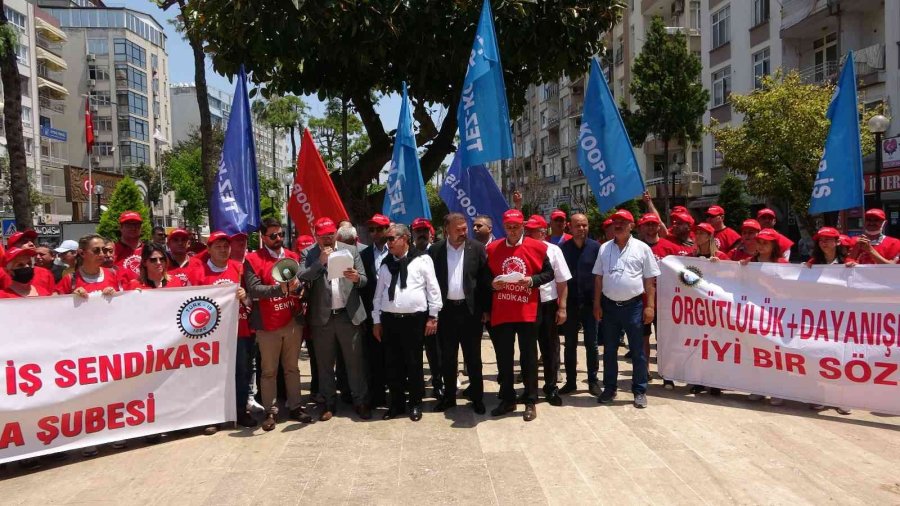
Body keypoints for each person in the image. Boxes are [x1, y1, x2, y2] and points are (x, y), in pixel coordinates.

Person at [299, 217, 371, 421]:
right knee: (324, 364)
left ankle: (361, 401)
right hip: (323, 318)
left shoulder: (352, 250)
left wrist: (357, 278)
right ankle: (329, 403)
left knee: (354, 362)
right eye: (322, 237)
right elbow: (303, 277)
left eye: (330, 235)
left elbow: (365, 280)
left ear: (336, 234)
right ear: (316, 236)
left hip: (348, 315)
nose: (327, 240)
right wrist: (319, 262)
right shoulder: (309, 253)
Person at [243, 217, 312, 431]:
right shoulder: (253, 259)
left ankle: (295, 406)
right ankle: (270, 411)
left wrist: (300, 289)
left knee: (292, 368)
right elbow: (254, 289)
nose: (278, 238)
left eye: (280, 234)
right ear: (263, 238)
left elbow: (302, 285)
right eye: (273, 236)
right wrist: (280, 290)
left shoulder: (292, 256)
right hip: (267, 324)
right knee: (269, 371)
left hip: (291, 321)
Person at [487, 209, 554, 421]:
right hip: (503, 310)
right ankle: (507, 399)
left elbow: (549, 274)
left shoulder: (537, 247)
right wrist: (492, 284)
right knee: (504, 357)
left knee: (529, 357)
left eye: (516, 226)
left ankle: (531, 400)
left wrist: (532, 281)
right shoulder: (492, 248)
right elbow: (483, 277)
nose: (513, 231)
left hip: (528, 310)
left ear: (523, 227)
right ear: (503, 227)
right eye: (509, 227)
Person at [372, 223, 442, 421]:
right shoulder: (386, 264)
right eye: (387, 239)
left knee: (413, 363)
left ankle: (415, 404)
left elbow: (433, 290)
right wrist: (377, 321)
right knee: (393, 364)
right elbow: (378, 296)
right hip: (390, 320)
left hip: (414, 320)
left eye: (391, 239)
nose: (388, 243)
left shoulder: (422, 260)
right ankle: (396, 404)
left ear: (404, 239)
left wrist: (433, 316)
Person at [592, 209, 660, 408]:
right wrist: (597, 304)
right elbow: (598, 277)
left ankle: (639, 390)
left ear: (632, 225)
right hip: (610, 307)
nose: (618, 225)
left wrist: (650, 306)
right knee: (610, 350)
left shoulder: (642, 248)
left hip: (634, 307)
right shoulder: (604, 248)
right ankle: (610, 388)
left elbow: (650, 279)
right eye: (616, 222)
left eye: (623, 222)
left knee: (637, 350)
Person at [428, 213, 491, 414]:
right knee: (447, 357)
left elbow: (484, 282)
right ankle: (448, 397)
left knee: (473, 357)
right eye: (459, 229)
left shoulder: (477, 249)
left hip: (470, 312)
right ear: (447, 229)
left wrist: (486, 310)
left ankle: (477, 397)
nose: (464, 232)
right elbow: (430, 283)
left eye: (465, 228)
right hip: (446, 312)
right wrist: (433, 313)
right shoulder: (435, 250)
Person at [637, 213, 692, 387]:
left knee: (665, 339)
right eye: (647, 224)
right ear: (641, 227)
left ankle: (667, 373)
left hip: (666, 303)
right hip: (641, 301)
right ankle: (644, 371)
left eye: (654, 224)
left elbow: (684, 273)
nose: (651, 227)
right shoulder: (636, 248)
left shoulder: (670, 248)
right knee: (643, 339)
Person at [524, 215, 570, 405]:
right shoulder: (521, 248)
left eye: (532, 229)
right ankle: (529, 389)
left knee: (550, 348)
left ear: (543, 232)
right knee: (527, 349)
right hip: (525, 304)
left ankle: (551, 387)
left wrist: (562, 307)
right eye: (527, 229)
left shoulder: (554, 250)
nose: (528, 232)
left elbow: (562, 280)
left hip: (548, 304)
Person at [559, 213, 601, 396]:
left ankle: (593, 381)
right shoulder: (563, 249)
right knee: (570, 344)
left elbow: (601, 277)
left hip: (591, 304)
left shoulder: (597, 248)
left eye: (584, 225)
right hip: (570, 304)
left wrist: (599, 304)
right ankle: (570, 382)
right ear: (570, 227)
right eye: (578, 225)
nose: (581, 228)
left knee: (592, 344)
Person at [359, 213, 392, 407]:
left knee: (395, 355)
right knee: (374, 357)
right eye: (371, 229)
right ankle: (377, 394)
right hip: (373, 314)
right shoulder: (362, 255)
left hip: (396, 312)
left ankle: (397, 395)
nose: (375, 233)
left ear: (388, 229)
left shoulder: (399, 250)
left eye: (379, 228)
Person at [411, 217, 441, 397]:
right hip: (414, 311)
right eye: (418, 231)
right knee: (415, 352)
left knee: (435, 351)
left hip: (434, 311)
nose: (421, 234)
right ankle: (417, 387)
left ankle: (438, 383)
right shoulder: (408, 254)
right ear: (413, 233)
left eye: (424, 231)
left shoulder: (439, 252)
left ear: (431, 233)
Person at [56, 235, 121, 297]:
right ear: (82, 253)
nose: (102, 254)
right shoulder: (70, 279)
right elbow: (53, 302)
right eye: (96, 250)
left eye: (103, 250)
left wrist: (115, 295)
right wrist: (71, 297)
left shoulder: (114, 274)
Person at [114, 211, 145, 283]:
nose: (133, 228)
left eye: (137, 225)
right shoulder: (112, 251)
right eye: (128, 225)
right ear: (120, 228)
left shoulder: (149, 250)